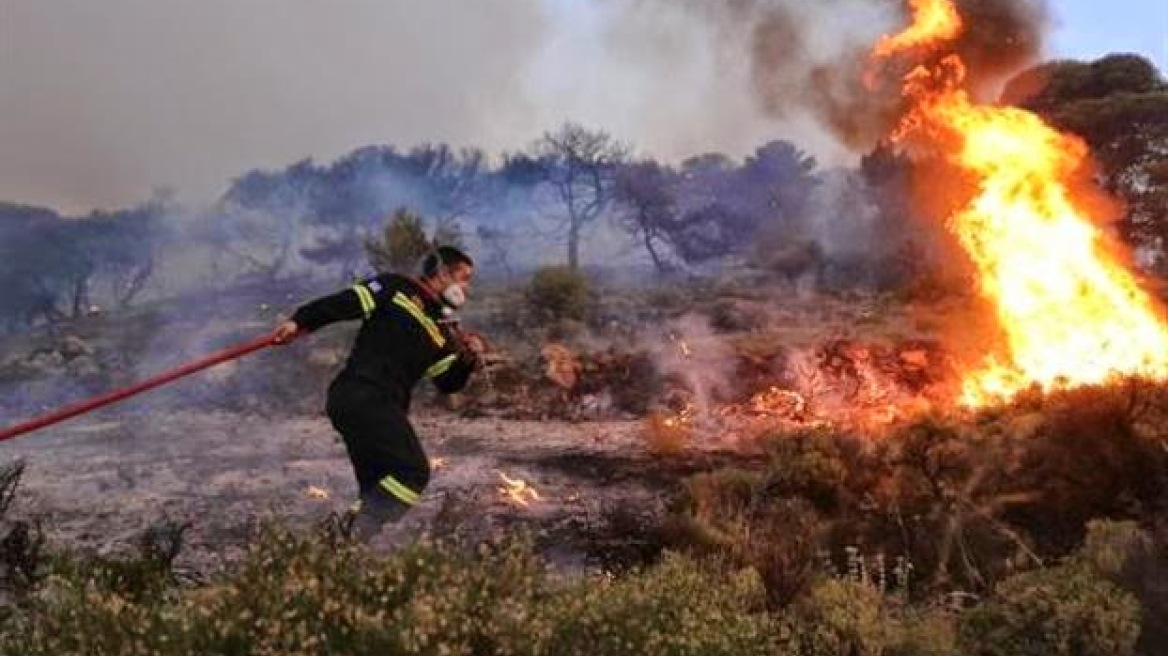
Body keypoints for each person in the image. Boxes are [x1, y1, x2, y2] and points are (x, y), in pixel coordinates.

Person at [272, 246, 485, 540]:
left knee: (377, 486)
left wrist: (467, 360)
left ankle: (337, 550)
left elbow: (448, 383)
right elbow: (346, 303)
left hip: (378, 405)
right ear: (441, 272)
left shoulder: (442, 328)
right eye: (464, 278)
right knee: (412, 473)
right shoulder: (395, 288)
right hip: (362, 394)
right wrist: (300, 320)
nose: (466, 288)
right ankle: (341, 538)